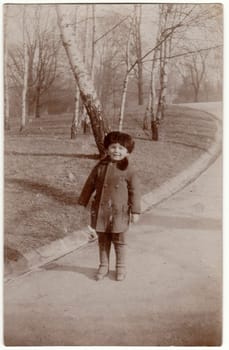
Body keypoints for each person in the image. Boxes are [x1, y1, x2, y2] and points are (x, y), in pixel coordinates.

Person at [78, 131, 141, 281]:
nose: (116, 151)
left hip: (119, 213)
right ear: (107, 149)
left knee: (119, 241)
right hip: (101, 212)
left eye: (121, 148)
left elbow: (135, 191)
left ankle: (120, 267)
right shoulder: (100, 166)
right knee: (103, 240)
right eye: (113, 147)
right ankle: (103, 266)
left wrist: (136, 211)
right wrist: (83, 201)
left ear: (127, 151)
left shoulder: (130, 170)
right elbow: (89, 184)